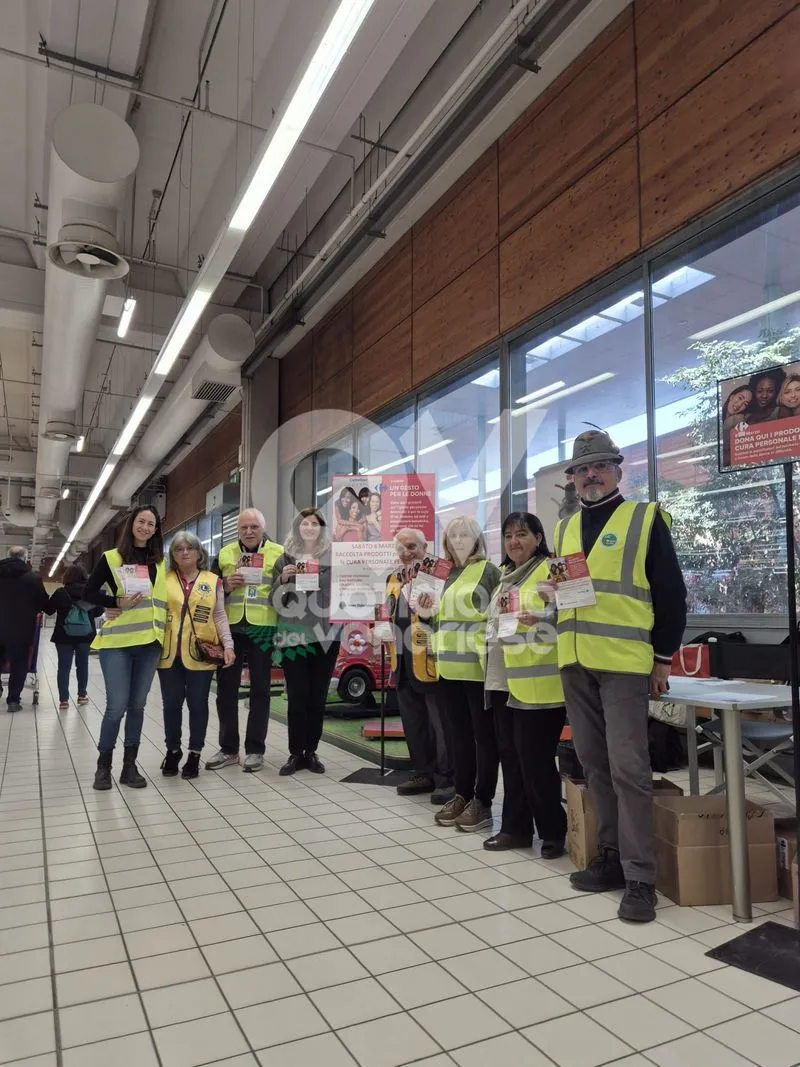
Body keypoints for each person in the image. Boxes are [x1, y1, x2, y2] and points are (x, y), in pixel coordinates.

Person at [554, 429, 687, 923]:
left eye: (601, 466)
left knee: (629, 768)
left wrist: (663, 658)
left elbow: (671, 594)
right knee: (593, 765)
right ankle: (610, 857)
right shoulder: (566, 526)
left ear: (617, 469)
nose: (591, 474)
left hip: (625, 664)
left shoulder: (643, 517)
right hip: (575, 660)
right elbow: (569, 588)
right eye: (583, 468)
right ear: (572, 477)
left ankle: (640, 878)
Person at [481, 512, 567, 857]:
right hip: (503, 680)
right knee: (512, 759)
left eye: (522, 534)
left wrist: (545, 615)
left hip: (539, 683)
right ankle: (515, 828)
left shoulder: (552, 568)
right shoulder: (504, 577)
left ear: (538, 536)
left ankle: (553, 831)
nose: (514, 541)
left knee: (536, 760)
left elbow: (573, 611)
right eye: (508, 535)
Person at [423, 516, 500, 832]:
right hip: (447, 667)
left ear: (477, 539)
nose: (457, 539)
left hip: (478, 668)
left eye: (464, 534)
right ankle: (462, 793)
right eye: (452, 535)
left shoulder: (488, 571)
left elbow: (498, 614)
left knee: (484, 737)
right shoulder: (440, 572)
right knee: (458, 736)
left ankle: (483, 801)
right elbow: (431, 616)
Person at [84, 506, 167, 790]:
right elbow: (88, 593)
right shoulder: (112, 558)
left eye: (151, 523)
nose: (145, 527)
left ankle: (129, 767)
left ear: (156, 530)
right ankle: (103, 766)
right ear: (132, 524)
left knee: (138, 706)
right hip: (118, 643)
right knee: (116, 707)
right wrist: (113, 603)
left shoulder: (161, 563)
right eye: (141, 521)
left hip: (150, 644)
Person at [207, 508, 282, 773]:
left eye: (254, 527)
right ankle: (228, 749)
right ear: (237, 530)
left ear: (263, 528)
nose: (249, 532)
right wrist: (225, 585)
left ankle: (255, 750)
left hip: (263, 627)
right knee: (226, 689)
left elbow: (286, 592)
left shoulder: (279, 553)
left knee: (260, 689)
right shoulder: (225, 554)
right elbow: (208, 590)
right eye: (244, 528)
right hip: (231, 627)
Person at [157, 532, 235, 780]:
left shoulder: (213, 581)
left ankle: (194, 753)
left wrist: (229, 646)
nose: (185, 552)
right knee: (171, 705)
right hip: (168, 654)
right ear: (173, 555)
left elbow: (220, 616)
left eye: (190, 548)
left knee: (198, 705)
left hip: (201, 654)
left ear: (200, 553)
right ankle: (173, 750)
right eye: (179, 549)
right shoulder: (163, 579)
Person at [384, 528, 453, 803]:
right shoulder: (393, 577)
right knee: (413, 722)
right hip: (401, 660)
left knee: (441, 724)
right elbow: (386, 610)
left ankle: (448, 779)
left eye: (412, 546)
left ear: (426, 546)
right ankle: (423, 771)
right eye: (401, 548)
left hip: (430, 660)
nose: (406, 553)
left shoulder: (439, 573)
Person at [271, 508, 341, 776]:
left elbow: (344, 593)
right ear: (297, 527)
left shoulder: (333, 558)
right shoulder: (285, 558)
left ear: (321, 528)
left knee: (318, 697)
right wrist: (284, 579)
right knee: (297, 696)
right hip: (294, 635)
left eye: (315, 523)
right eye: (305, 523)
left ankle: (311, 751)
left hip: (326, 636)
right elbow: (274, 600)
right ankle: (294, 753)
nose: (310, 527)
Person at [45, 563, 103, 710]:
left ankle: (64, 700)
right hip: (85, 635)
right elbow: (98, 612)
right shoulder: (90, 592)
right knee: (82, 665)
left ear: (67, 577)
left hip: (63, 636)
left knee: (64, 667)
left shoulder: (60, 592)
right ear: (84, 577)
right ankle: (82, 695)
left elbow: (49, 610)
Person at [0, 546, 48, 711]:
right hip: (21, 630)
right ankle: (13, 700)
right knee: (18, 664)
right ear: (25, 558)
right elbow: (44, 604)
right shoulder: (32, 579)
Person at [721, 384, 753, 466]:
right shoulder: (717, 420)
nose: (739, 405)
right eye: (740, 398)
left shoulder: (740, 420)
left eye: (745, 404)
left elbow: (741, 449)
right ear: (732, 396)